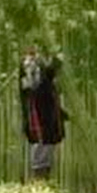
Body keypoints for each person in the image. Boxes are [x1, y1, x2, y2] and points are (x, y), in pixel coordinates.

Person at [19, 47, 68, 182]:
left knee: (47, 147)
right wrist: (53, 66)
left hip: (48, 113)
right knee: (41, 145)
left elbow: (47, 86)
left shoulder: (40, 63)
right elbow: (37, 86)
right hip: (39, 114)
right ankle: (40, 184)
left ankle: (43, 183)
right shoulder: (29, 64)